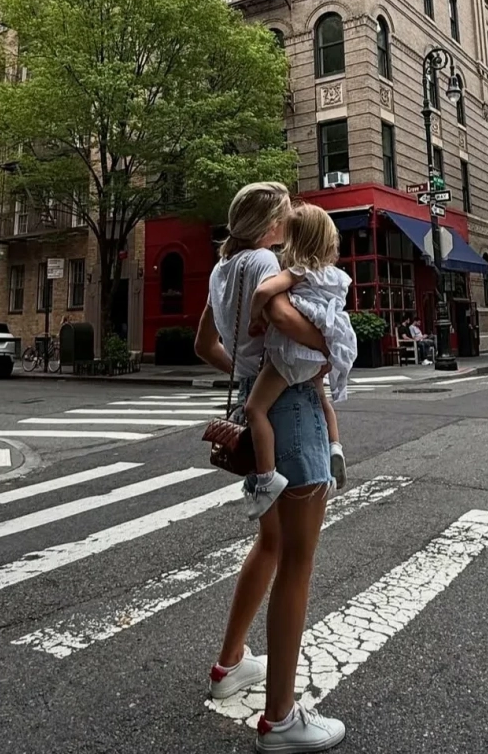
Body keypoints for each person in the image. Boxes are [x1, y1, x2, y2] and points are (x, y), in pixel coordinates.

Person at [195, 182, 346, 752]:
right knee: (298, 560)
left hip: (256, 404)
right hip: (295, 408)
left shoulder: (221, 268)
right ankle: (281, 719)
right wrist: (331, 344)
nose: (287, 226)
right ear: (270, 225)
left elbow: (204, 343)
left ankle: (229, 664)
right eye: (284, 216)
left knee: (272, 544)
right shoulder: (264, 261)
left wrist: (247, 371)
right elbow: (281, 314)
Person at [244, 203, 356, 518]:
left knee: (255, 409)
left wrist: (255, 319)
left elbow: (262, 292)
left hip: (292, 353)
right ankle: (335, 447)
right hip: (320, 352)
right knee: (322, 398)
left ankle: (266, 480)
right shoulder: (334, 275)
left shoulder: (298, 271)